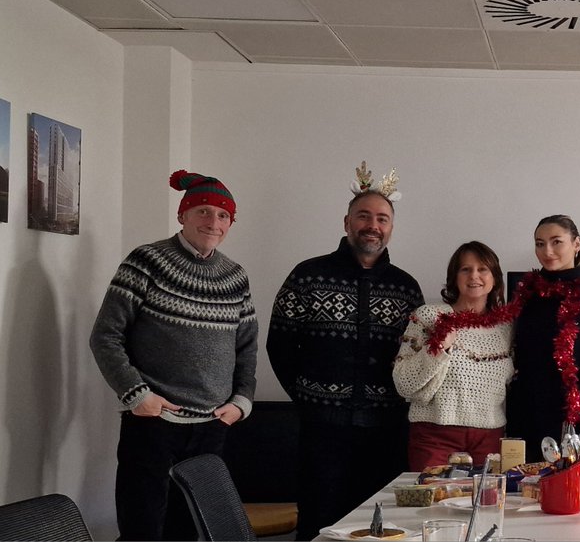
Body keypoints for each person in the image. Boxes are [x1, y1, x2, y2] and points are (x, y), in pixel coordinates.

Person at [90, 170, 257, 541]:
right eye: (203, 211)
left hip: (212, 426)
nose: (213, 222)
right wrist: (137, 395)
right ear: (182, 214)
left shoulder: (236, 277)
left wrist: (241, 401)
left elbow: (246, 348)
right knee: (142, 528)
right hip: (153, 422)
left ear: (231, 223)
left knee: (192, 529)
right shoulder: (146, 261)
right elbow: (105, 336)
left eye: (223, 215)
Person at [267, 163, 424, 541]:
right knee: (320, 522)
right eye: (364, 216)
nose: (373, 225)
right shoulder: (308, 275)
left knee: (381, 526)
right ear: (347, 222)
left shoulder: (406, 288)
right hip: (323, 430)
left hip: (387, 432)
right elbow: (280, 344)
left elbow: (420, 358)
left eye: (382, 218)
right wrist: (308, 399)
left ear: (391, 227)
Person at [505, 214, 580, 471]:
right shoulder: (528, 296)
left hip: (577, 430)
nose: (547, 251)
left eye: (556, 241)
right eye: (539, 243)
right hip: (531, 425)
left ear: (576, 244)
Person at [393, 241, 514, 470]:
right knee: (430, 504)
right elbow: (403, 383)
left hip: (489, 437)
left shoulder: (506, 327)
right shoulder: (429, 316)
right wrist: (439, 349)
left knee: (488, 504)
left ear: (494, 276)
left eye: (482, 269)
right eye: (465, 269)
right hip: (434, 434)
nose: (474, 276)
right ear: (454, 277)